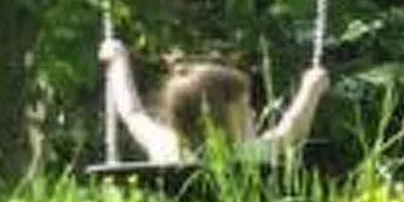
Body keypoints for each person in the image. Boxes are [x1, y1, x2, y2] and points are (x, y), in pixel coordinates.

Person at [98, 36, 329, 166]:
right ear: (219, 119)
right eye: (244, 108)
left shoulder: (167, 147)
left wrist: (118, 61)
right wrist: (311, 88)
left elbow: (133, 113)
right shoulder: (246, 156)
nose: (253, 114)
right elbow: (291, 131)